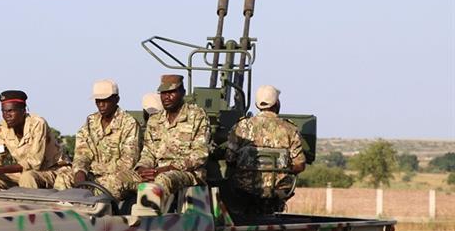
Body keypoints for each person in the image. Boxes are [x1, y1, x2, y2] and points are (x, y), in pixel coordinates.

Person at [226, 84, 306, 216]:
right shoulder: (290, 129)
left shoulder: (241, 126)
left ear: (257, 105)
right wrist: (283, 168)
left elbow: (230, 160)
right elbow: (300, 165)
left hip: (244, 188)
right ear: (277, 103)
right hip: (278, 189)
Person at [54, 80, 140, 200]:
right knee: (64, 176)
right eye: (98, 100)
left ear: (116, 99)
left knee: (109, 183)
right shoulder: (91, 121)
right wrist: (80, 171)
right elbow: (82, 152)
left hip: (118, 176)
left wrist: (95, 170)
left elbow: (128, 162)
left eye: (105, 100)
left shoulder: (129, 123)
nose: (101, 104)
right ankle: (63, 209)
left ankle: (95, 208)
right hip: (93, 174)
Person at [134, 74, 210, 203]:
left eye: (171, 93)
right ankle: (101, 213)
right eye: (163, 93)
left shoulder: (197, 116)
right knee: (117, 179)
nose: (166, 97)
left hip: (188, 173)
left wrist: (169, 168)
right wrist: (143, 169)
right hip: (156, 170)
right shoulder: (155, 120)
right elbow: (148, 152)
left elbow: (200, 154)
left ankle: (148, 214)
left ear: (182, 93)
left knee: (161, 180)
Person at [0, 90, 69, 189]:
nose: (7, 115)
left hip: (56, 171)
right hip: (28, 172)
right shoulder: (2, 127)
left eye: (11, 111)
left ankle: (29, 200)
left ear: (23, 111)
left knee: (27, 177)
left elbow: (35, 163)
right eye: (3, 111)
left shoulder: (38, 123)